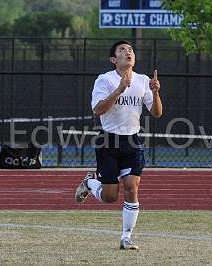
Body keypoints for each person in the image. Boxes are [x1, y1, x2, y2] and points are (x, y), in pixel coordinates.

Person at [75, 40, 162, 250]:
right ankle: (89, 183)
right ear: (114, 60)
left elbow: (157, 113)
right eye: (122, 50)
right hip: (108, 141)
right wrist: (119, 90)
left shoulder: (143, 81)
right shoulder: (105, 79)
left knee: (132, 187)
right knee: (110, 197)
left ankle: (126, 237)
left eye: (130, 50)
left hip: (132, 140)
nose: (128, 52)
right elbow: (98, 110)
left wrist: (156, 92)